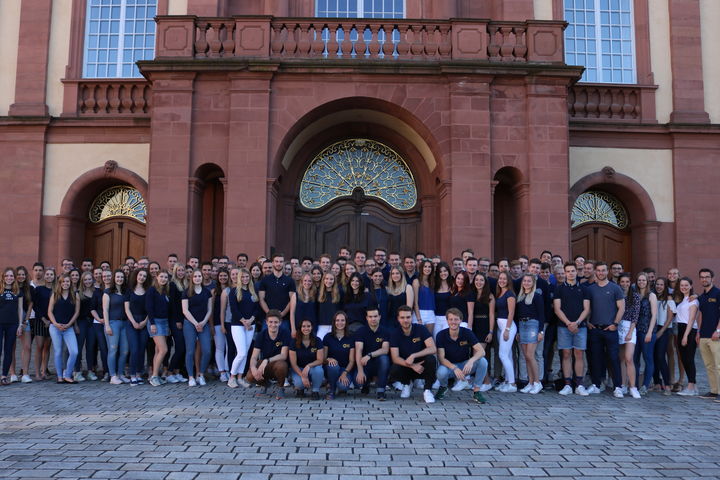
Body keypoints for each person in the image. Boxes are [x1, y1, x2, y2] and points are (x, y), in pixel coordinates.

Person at [585, 262, 625, 397]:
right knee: (595, 359)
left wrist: (615, 324)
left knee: (614, 358)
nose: (601, 273)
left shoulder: (615, 288)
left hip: (610, 329)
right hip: (595, 329)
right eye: (598, 271)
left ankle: (618, 386)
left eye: (603, 270)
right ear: (595, 272)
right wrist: (587, 322)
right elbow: (587, 308)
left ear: (607, 271)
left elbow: (621, 308)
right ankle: (596, 385)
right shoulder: (591, 289)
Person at [435, 308, 488, 404]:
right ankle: (443, 387)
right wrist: (454, 368)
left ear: (460, 320)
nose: (453, 322)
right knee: (441, 372)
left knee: (483, 361)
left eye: (456, 319)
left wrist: (471, 361)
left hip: (464, 365)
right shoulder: (441, 335)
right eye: (451, 319)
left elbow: (481, 351)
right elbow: (441, 359)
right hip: (449, 366)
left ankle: (476, 391)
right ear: (447, 321)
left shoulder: (467, 332)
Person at [553, 263, 590, 396]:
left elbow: (587, 308)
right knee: (566, 354)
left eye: (573, 271)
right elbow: (557, 309)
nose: (570, 273)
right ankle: (568, 384)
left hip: (580, 327)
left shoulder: (584, 289)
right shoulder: (559, 289)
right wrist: (569, 323)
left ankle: (579, 384)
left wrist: (577, 323)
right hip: (564, 326)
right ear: (565, 273)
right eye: (568, 271)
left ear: (576, 272)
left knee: (579, 354)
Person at [389, 305, 437, 403]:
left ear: (412, 317)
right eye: (402, 317)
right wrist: (412, 365)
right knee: (394, 368)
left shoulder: (421, 329)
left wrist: (414, 355)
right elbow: (395, 358)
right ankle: (407, 384)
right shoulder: (394, 333)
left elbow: (433, 348)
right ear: (398, 319)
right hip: (407, 366)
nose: (405, 320)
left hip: (422, 366)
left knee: (431, 359)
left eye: (408, 317)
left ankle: (427, 390)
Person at [224, 268, 259, 388]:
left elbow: (257, 308)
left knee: (246, 351)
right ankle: (232, 377)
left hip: (250, 325)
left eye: (247, 277)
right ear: (239, 278)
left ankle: (240, 377)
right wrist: (244, 321)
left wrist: (251, 320)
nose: (245, 279)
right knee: (242, 352)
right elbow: (234, 309)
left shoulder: (252, 291)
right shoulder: (234, 291)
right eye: (242, 277)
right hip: (238, 325)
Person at [245, 310, 290, 399]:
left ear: (280, 323)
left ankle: (281, 388)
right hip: (265, 365)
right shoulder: (261, 335)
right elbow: (254, 356)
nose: (273, 325)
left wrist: (267, 360)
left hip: (278, 363)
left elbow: (284, 355)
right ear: (266, 322)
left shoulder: (285, 333)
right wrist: (253, 368)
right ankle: (265, 384)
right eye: (270, 322)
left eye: (276, 322)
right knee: (249, 376)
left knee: (281, 365)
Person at [182, 270, 213, 387]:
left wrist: (203, 322)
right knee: (190, 351)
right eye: (195, 276)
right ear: (192, 278)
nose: (197, 278)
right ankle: (191, 376)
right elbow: (185, 310)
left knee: (207, 350)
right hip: (190, 324)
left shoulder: (207, 292)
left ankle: (200, 374)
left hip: (203, 323)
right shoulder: (186, 292)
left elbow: (209, 309)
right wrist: (196, 323)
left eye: (199, 276)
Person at [47, 273, 80, 384]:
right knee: (58, 351)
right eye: (63, 282)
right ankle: (60, 377)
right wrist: (55, 324)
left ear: (70, 283)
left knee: (74, 351)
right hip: (55, 327)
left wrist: (69, 324)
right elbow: (50, 311)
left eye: (68, 281)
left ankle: (68, 375)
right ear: (59, 283)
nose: (65, 284)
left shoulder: (75, 295)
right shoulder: (55, 294)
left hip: (68, 328)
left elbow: (76, 312)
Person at [515, 274, 545, 394]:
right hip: (522, 325)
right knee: (526, 356)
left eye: (529, 281)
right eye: (525, 281)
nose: (526, 283)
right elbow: (517, 316)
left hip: (533, 325)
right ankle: (530, 382)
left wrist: (541, 331)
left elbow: (542, 315)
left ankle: (537, 382)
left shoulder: (537, 296)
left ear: (533, 283)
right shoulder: (520, 297)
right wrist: (517, 330)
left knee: (530, 355)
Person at [354, 307, 390, 400]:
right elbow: (358, 351)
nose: (373, 319)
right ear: (366, 318)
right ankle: (365, 384)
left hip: (379, 363)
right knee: (358, 382)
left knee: (384, 359)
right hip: (365, 364)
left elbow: (385, 350)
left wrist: (369, 355)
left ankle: (381, 391)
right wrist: (360, 371)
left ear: (380, 317)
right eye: (370, 316)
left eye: (375, 316)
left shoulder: (385, 331)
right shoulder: (360, 331)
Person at [467, 273, 495, 391]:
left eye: (481, 280)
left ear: (485, 282)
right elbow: (470, 313)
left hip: (484, 326)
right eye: (477, 280)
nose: (479, 282)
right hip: (475, 326)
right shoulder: (472, 294)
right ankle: (482, 381)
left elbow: (492, 315)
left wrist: (491, 331)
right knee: (476, 355)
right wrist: (469, 329)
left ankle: (487, 382)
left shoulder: (490, 296)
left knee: (479, 355)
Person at [124, 268, 150, 385]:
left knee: (141, 349)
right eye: (140, 275)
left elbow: (150, 309)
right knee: (134, 349)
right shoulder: (129, 290)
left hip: (144, 321)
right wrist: (133, 321)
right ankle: (132, 374)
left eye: (144, 276)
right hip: (131, 321)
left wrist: (145, 321)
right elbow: (127, 308)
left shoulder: (148, 291)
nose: (142, 277)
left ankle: (139, 374)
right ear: (136, 276)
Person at [103, 270, 130, 385]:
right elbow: (105, 310)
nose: (119, 279)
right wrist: (107, 325)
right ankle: (113, 376)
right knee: (113, 350)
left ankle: (120, 374)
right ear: (114, 278)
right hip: (113, 323)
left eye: (122, 277)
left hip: (125, 324)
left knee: (124, 350)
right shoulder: (108, 292)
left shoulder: (126, 292)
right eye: (117, 277)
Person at [697, 268, 720, 400]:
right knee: (709, 365)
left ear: (713, 278)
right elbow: (701, 315)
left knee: (718, 365)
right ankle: (714, 391)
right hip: (703, 335)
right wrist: (698, 332)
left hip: (716, 336)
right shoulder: (702, 297)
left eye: (707, 277)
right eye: (702, 277)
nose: (704, 279)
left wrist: (718, 330)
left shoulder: (718, 293)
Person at [633, 272, 658, 395]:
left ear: (647, 282)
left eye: (643, 280)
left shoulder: (651, 295)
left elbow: (654, 315)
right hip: (635, 331)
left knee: (648, 358)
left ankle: (645, 385)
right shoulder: (634, 294)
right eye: (639, 280)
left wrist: (649, 332)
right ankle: (635, 385)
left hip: (647, 331)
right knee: (634, 359)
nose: (641, 282)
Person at [146, 270, 171, 387]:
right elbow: (149, 307)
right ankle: (155, 375)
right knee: (163, 350)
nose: (163, 279)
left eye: (166, 277)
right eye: (161, 277)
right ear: (157, 277)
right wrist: (152, 323)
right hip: (155, 322)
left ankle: (154, 376)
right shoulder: (152, 290)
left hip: (165, 321)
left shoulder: (166, 291)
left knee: (158, 350)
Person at [675, 277, 699, 396]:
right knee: (684, 358)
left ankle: (690, 386)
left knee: (689, 358)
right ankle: (693, 386)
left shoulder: (693, 301)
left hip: (689, 330)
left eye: (686, 285)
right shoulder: (683, 299)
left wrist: (685, 336)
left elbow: (691, 320)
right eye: (682, 285)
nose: (683, 287)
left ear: (690, 286)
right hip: (680, 329)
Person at [258, 254, 296, 331]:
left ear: (283, 263)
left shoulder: (289, 281)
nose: (278, 263)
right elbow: (261, 299)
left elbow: (291, 300)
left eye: (281, 261)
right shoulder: (265, 280)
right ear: (272, 263)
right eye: (276, 261)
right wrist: (270, 314)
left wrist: (281, 314)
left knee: (285, 342)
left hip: (284, 320)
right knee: (266, 342)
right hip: (268, 320)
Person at [323, 311, 355, 399]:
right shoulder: (328, 337)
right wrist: (329, 359)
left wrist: (345, 373)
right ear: (334, 322)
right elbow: (323, 358)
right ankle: (332, 390)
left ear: (346, 322)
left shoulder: (351, 337)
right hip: (331, 368)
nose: (340, 323)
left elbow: (352, 360)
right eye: (337, 320)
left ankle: (333, 383)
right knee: (333, 365)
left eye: (342, 320)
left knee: (343, 387)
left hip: (345, 369)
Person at [289, 319, 324, 399]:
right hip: (298, 369)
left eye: (308, 326)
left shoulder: (317, 340)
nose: (306, 328)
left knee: (319, 370)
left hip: (313, 368)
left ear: (312, 328)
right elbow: (293, 364)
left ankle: (315, 391)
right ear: (300, 328)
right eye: (303, 326)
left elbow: (320, 360)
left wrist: (308, 366)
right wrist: (303, 376)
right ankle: (300, 389)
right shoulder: (294, 342)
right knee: (299, 383)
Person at [652, 277, 676, 395]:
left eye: (661, 284)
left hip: (664, 329)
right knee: (653, 357)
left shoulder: (669, 298)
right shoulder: (652, 297)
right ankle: (657, 383)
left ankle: (667, 385)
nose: (659, 286)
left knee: (661, 357)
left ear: (665, 286)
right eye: (657, 284)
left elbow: (670, 318)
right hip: (652, 328)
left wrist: (661, 331)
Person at [494, 272, 517, 393]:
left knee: (502, 355)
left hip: (508, 327)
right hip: (500, 326)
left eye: (504, 279)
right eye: (500, 278)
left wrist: (507, 329)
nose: (502, 280)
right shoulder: (500, 293)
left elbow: (511, 313)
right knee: (507, 355)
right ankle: (508, 381)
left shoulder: (510, 294)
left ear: (508, 280)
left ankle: (512, 384)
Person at [0, 268, 23, 385]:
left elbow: (20, 309)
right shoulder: (0, 289)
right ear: (3, 277)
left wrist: (20, 325)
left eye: (11, 276)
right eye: (7, 276)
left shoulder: (17, 291)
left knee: (8, 350)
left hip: (12, 324)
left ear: (14, 278)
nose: (9, 278)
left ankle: (4, 376)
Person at [32, 268, 55, 381]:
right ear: (44, 276)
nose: (49, 276)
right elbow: (35, 306)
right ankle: (37, 373)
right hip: (40, 321)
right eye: (47, 274)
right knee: (39, 347)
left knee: (47, 347)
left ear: (54, 276)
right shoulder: (39, 289)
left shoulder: (56, 290)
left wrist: (51, 320)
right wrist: (44, 319)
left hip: (52, 322)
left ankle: (44, 370)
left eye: (51, 274)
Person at [166, 264, 188, 383]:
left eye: (182, 270)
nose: (180, 272)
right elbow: (173, 305)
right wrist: (178, 320)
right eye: (178, 270)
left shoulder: (186, 284)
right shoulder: (173, 284)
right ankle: (169, 372)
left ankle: (177, 372)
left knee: (184, 347)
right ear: (174, 272)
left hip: (185, 320)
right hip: (176, 320)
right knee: (180, 347)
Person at [72, 272, 95, 382]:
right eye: (85, 280)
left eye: (89, 279)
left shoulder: (96, 292)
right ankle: (77, 371)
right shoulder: (78, 293)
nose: (87, 281)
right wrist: (75, 325)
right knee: (79, 347)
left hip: (92, 323)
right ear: (82, 281)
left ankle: (90, 371)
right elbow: (75, 311)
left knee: (90, 348)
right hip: (81, 322)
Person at [14, 266, 34, 383]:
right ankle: (12, 373)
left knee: (27, 346)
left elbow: (30, 305)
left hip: (25, 318)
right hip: (12, 317)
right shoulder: (11, 288)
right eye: (19, 274)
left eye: (23, 274)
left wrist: (25, 320)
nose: (21, 276)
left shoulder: (30, 288)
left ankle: (25, 373)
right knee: (11, 346)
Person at [212, 268, 231, 382]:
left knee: (229, 347)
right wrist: (211, 325)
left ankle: (228, 369)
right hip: (217, 323)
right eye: (221, 276)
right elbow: (211, 309)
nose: (223, 278)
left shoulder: (231, 290)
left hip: (228, 322)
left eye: (225, 276)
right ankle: (222, 372)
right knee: (220, 348)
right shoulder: (214, 291)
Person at [290, 273, 317, 338]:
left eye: (309, 281)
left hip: (312, 328)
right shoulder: (295, 295)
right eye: (305, 280)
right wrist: (293, 329)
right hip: (298, 327)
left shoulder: (316, 295)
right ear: (301, 282)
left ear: (312, 282)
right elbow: (292, 313)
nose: (307, 282)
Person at [412, 260, 436, 333]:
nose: (427, 269)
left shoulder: (433, 282)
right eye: (425, 266)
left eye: (429, 267)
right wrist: (419, 319)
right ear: (421, 268)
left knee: (429, 339)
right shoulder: (416, 281)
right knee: (418, 340)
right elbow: (415, 302)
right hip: (419, 313)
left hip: (431, 313)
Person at [317, 272, 342, 340]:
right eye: (326, 279)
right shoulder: (318, 293)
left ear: (334, 281)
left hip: (335, 326)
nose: (329, 281)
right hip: (321, 325)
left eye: (331, 279)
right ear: (323, 280)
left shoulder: (339, 293)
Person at [433, 262, 452, 338]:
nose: (443, 273)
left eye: (445, 271)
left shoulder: (453, 284)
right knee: (436, 338)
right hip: (436, 318)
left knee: (447, 340)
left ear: (448, 272)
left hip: (449, 318)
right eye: (440, 271)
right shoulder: (434, 284)